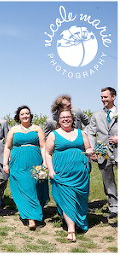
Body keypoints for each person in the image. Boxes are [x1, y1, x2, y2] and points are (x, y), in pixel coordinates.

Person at [46, 109, 95, 242]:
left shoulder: (81, 133)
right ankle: (71, 229)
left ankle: (78, 221)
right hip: (62, 173)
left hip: (80, 174)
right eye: (62, 117)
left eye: (68, 117)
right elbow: (47, 153)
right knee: (67, 199)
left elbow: (88, 148)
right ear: (58, 120)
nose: (65, 119)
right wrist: (51, 170)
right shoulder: (53, 134)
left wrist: (91, 151)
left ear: (73, 119)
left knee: (79, 200)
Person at [2, 106, 49, 230]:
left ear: (30, 115)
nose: (25, 116)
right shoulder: (13, 129)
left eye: (27, 113)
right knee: (25, 188)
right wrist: (5, 163)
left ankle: (35, 210)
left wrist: (45, 162)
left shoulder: (37, 128)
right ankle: (31, 218)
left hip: (35, 161)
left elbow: (43, 146)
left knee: (35, 187)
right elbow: (7, 147)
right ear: (18, 116)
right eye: (22, 114)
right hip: (18, 162)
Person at [85, 87, 118, 219]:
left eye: (105, 97)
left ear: (113, 97)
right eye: (101, 97)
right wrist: (92, 149)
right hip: (103, 153)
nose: (103, 99)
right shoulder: (96, 115)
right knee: (108, 182)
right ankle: (114, 208)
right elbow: (91, 132)